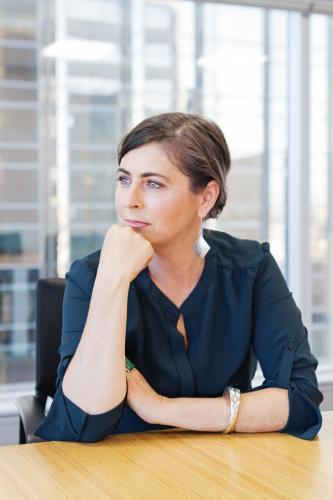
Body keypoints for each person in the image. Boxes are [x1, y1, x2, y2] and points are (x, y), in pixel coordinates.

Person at [34, 112, 323, 443]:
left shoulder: (251, 268)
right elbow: (81, 423)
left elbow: (299, 402)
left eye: (153, 183)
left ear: (205, 197)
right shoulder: (91, 275)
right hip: (113, 474)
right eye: (124, 179)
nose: (130, 201)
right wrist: (112, 282)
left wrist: (160, 408)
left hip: (219, 467)